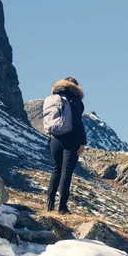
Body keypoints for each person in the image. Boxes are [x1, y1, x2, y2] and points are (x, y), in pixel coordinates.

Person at [45, 77, 87, 214]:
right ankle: (62, 207)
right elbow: (77, 122)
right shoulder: (75, 99)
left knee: (56, 169)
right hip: (72, 139)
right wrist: (83, 141)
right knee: (66, 172)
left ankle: (49, 205)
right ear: (75, 87)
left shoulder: (54, 97)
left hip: (55, 138)